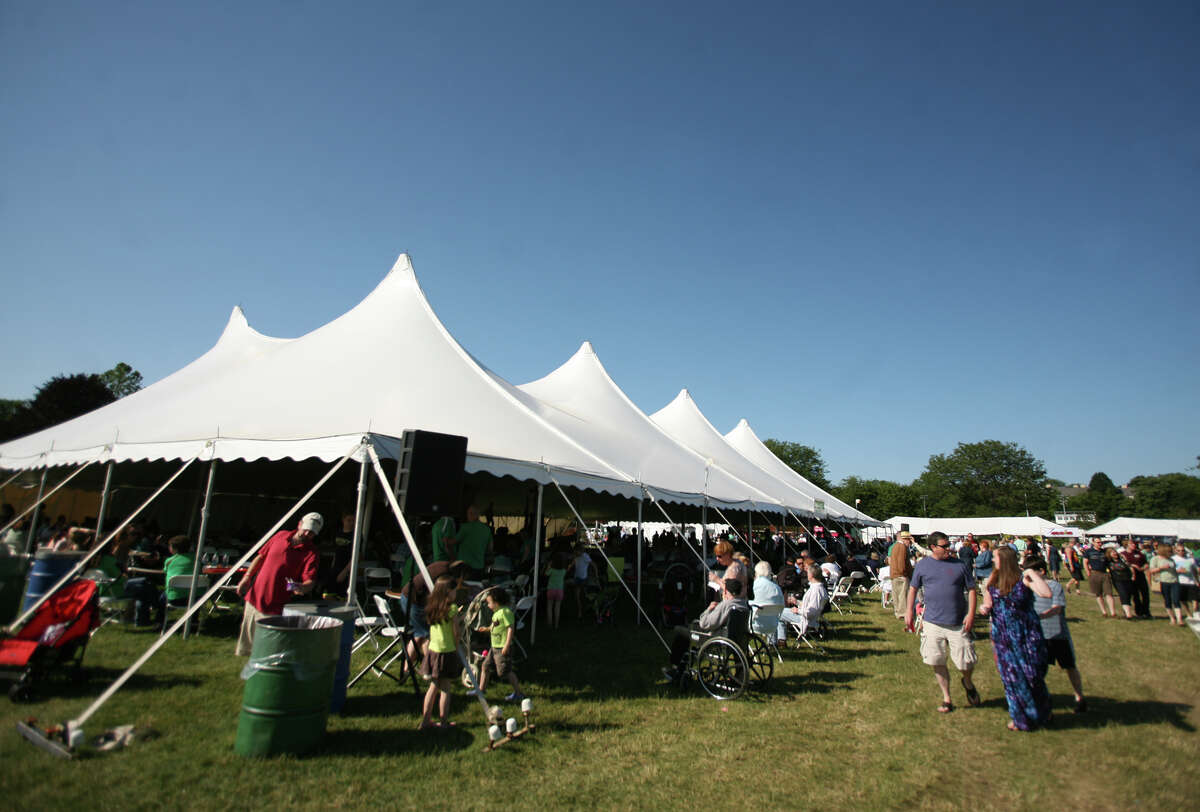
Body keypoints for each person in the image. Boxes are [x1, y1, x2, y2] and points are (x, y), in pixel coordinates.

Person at [905, 531, 980, 714]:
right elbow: (913, 588)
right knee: (936, 659)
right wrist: (909, 611)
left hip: (957, 621)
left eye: (949, 545)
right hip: (933, 622)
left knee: (965, 662)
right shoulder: (923, 566)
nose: (949, 549)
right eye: (944, 546)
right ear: (932, 547)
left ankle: (967, 682)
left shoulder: (960, 565)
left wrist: (971, 614)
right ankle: (947, 698)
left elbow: (971, 590)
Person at [981, 547, 1053, 731]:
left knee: (1033, 676)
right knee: (1012, 678)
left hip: (1027, 634)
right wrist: (984, 608)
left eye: (995, 557)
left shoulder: (1023, 578)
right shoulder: (993, 579)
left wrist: (1030, 572)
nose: (992, 561)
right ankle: (1020, 718)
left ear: (1004, 559)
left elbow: (1046, 593)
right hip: (1003, 636)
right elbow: (988, 602)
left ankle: (1042, 712)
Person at [235, 512, 322, 656]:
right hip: (254, 597)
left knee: (267, 649)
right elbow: (260, 557)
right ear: (299, 524)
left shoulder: (311, 553)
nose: (307, 533)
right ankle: (248, 672)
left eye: (312, 533)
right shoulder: (280, 535)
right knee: (247, 647)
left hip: (276, 605)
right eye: (306, 528)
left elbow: (310, 580)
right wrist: (247, 577)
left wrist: (302, 587)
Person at [1026, 556, 1087, 713]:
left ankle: (1079, 697)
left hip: (1058, 635)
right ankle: (1041, 699)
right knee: (1038, 669)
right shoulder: (1028, 587)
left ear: (1042, 571)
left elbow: (1057, 608)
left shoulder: (1054, 586)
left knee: (1069, 667)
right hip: (1039, 636)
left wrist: (1038, 616)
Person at [663, 578, 748, 681]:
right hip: (737, 638)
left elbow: (705, 623)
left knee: (679, 630)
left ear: (725, 591)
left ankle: (676, 667)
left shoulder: (726, 605)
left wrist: (709, 609)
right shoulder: (743, 605)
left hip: (715, 638)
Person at [419, 576, 463, 730]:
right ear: (448, 592)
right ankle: (443, 722)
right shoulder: (452, 609)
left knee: (432, 687)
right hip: (447, 651)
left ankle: (425, 721)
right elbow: (456, 632)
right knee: (445, 688)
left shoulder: (432, 606)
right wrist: (457, 647)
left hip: (433, 651)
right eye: (454, 591)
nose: (455, 594)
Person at [124, 535, 193, 626]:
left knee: (145, 590)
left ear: (174, 549)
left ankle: (156, 620)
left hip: (173, 598)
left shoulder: (170, 561)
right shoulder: (196, 559)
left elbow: (165, 572)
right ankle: (193, 621)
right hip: (195, 597)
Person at [474, 587, 524, 702]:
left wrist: (507, 645)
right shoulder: (496, 613)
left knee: (505, 672)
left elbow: (510, 628)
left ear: (496, 602)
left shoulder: (505, 612)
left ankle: (518, 693)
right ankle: (481, 690)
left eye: (489, 603)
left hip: (502, 647)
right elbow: (495, 626)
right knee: (485, 666)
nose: (488, 605)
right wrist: (486, 629)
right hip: (494, 647)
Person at [777, 564, 828, 644]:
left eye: (808, 573)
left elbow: (811, 611)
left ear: (811, 575)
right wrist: (796, 602)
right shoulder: (820, 588)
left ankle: (779, 641)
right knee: (780, 612)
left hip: (806, 619)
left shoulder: (816, 590)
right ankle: (781, 639)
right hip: (809, 617)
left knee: (777, 613)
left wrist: (798, 611)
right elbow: (810, 606)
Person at [1148, 543, 1183, 624]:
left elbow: (1173, 569)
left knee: (1176, 599)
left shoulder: (1171, 559)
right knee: (1167, 600)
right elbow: (1151, 570)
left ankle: (1179, 619)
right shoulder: (1155, 559)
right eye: (1169, 551)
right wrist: (1161, 568)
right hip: (1163, 581)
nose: (1170, 552)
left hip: (1174, 581)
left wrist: (1179, 571)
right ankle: (1172, 618)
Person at [1081, 537, 1116, 618]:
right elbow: (1085, 562)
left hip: (1104, 574)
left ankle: (1113, 613)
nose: (1100, 544)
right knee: (1098, 594)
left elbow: (1109, 561)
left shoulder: (1104, 551)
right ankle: (1104, 612)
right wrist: (1088, 573)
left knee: (1109, 593)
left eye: (1101, 542)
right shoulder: (1089, 551)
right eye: (1098, 542)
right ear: (1093, 543)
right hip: (1094, 573)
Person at [455, 505, 492, 579]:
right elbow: (490, 548)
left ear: (476, 515)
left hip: (464, 567)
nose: (468, 516)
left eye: (470, 513)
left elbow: (453, 542)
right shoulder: (487, 529)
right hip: (479, 567)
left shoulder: (465, 527)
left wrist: (445, 539)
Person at [1121, 538, 1151, 619]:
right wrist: (1132, 566)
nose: (1134, 545)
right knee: (1135, 595)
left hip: (1141, 576)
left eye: (1135, 544)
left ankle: (1146, 611)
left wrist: (1142, 568)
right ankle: (1139, 612)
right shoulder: (1123, 554)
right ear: (1127, 545)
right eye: (1132, 544)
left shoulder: (1140, 553)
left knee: (1145, 594)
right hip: (1130, 577)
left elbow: (1146, 563)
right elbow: (1124, 564)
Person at [889, 532, 914, 622]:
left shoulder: (894, 546)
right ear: (904, 539)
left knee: (896, 595)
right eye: (908, 540)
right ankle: (902, 613)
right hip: (901, 575)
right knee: (903, 595)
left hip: (894, 574)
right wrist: (904, 573)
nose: (909, 542)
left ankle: (897, 612)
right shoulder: (902, 547)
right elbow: (901, 563)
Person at [1106, 547, 1135, 620]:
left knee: (1128, 595)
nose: (1115, 553)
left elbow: (1130, 567)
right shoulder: (1108, 562)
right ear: (1109, 554)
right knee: (1123, 595)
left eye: (1115, 552)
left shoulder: (1122, 559)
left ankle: (1126, 611)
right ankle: (1129, 615)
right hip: (1117, 581)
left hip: (1127, 579)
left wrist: (1133, 575)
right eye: (1112, 552)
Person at [1171, 542, 1198, 618]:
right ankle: (1189, 614)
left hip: (1191, 582)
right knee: (1183, 599)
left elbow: (1194, 571)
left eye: (1182, 550)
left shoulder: (1190, 559)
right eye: (1179, 550)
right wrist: (1178, 571)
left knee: (1195, 599)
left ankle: (1196, 613)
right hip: (1180, 581)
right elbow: (1171, 570)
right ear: (1176, 550)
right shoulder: (1173, 559)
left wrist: (1197, 581)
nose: (1181, 552)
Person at [544, 551, 568, 629]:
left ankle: (549, 623)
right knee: (557, 607)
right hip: (560, 590)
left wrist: (548, 566)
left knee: (549, 607)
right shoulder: (563, 571)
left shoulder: (552, 570)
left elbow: (546, 574)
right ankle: (556, 624)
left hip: (551, 589)